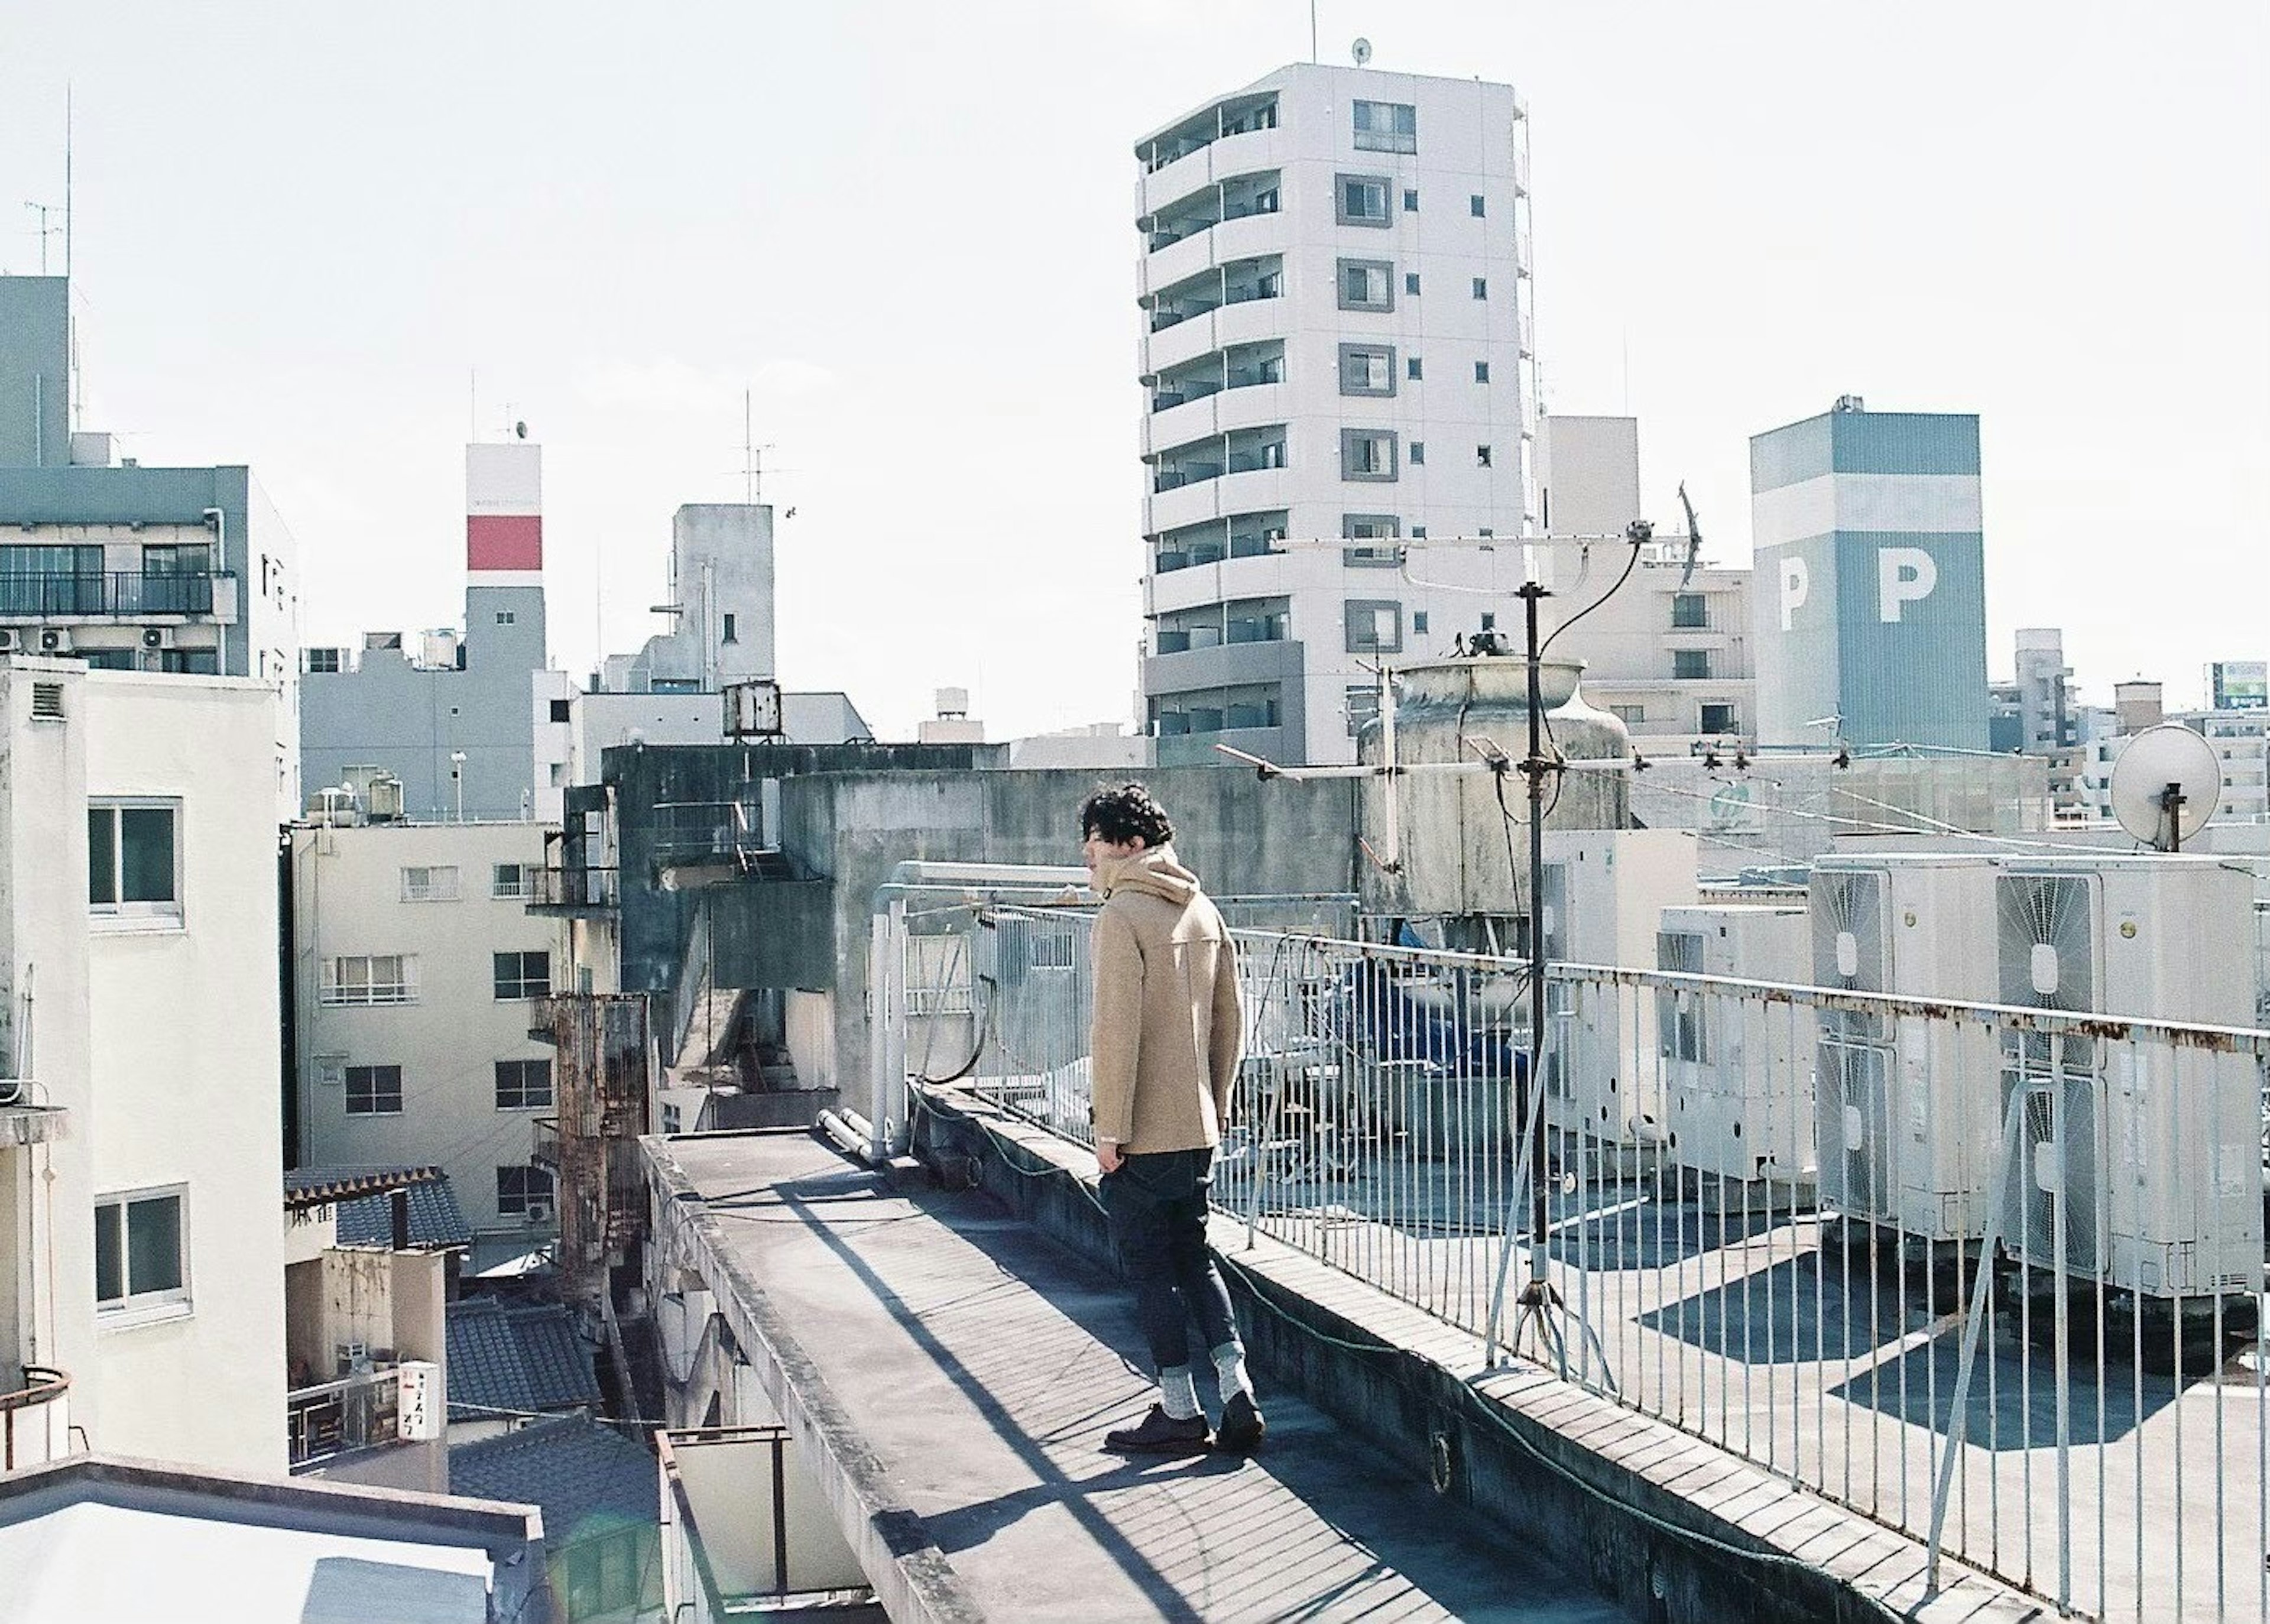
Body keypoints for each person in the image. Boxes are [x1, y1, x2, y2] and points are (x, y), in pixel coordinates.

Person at [1079, 782, 1265, 1455]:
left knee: (1151, 1265)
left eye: (1095, 846)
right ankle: (1238, 1388)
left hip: (1142, 1132)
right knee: (1195, 1254)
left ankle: (1180, 1409)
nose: (1088, 860)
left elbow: (1115, 1031)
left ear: (1129, 844)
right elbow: (1229, 1022)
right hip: (1197, 1128)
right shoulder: (1202, 908)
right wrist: (1216, 1105)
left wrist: (1109, 1130)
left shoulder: (1123, 915)